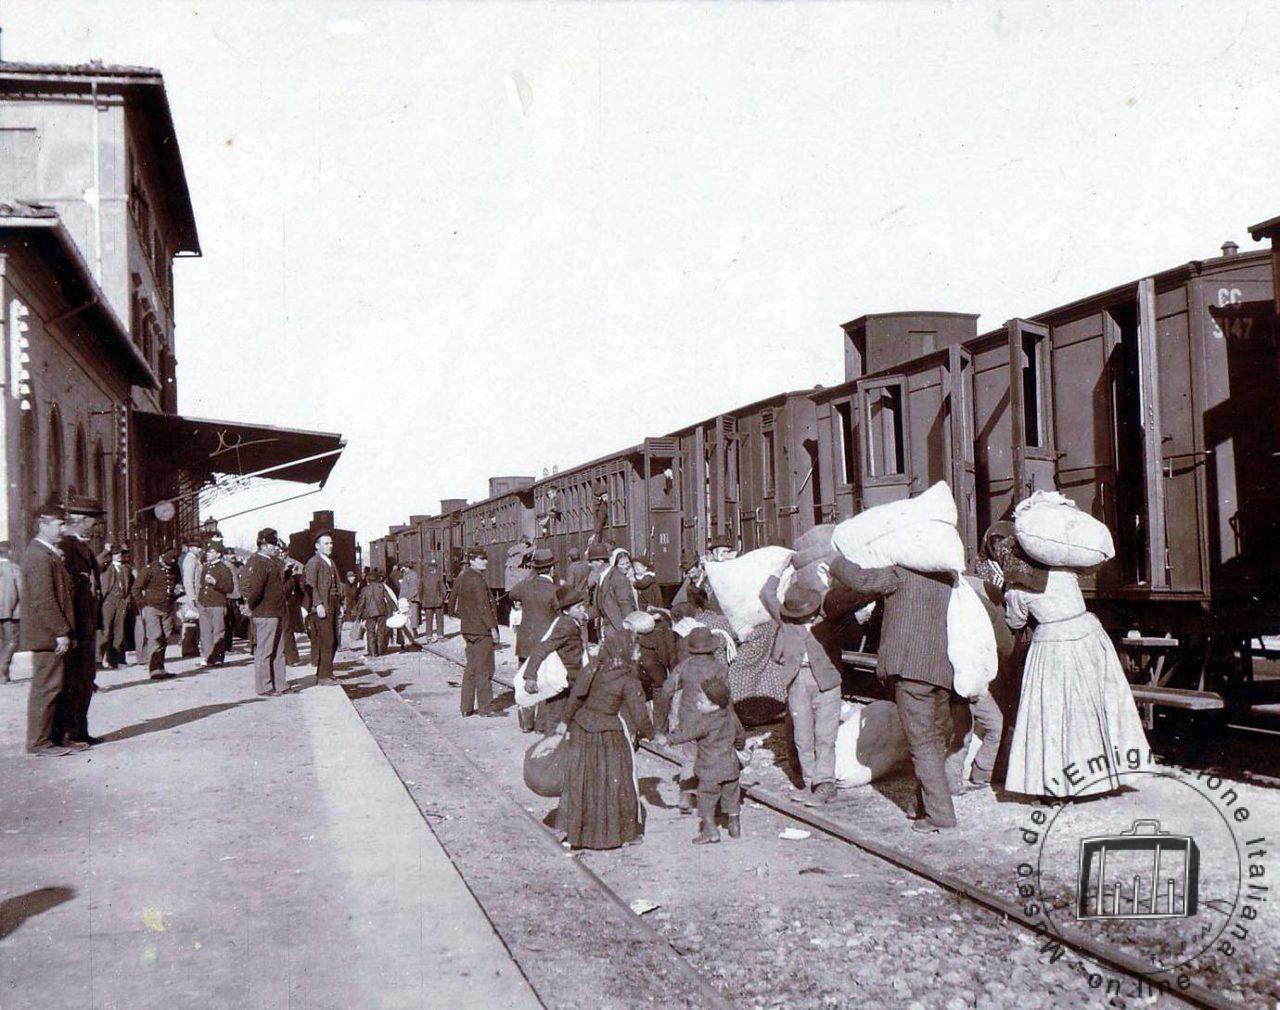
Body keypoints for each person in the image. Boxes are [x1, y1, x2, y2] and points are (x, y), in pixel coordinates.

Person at [824, 556, 959, 832]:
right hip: (941, 668)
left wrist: (835, 560)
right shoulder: (946, 575)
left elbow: (861, 580)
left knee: (922, 743)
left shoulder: (900, 574)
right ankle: (923, 805)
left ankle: (941, 815)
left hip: (911, 670)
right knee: (936, 736)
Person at [1002, 567, 1152, 800]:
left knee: (1054, 713)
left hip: (1052, 645)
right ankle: (1100, 777)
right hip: (1088, 636)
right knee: (1091, 710)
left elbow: (1016, 621)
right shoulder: (1063, 571)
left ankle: (1056, 784)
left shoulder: (1016, 589)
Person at [554, 627, 653, 850]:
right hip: (608, 733)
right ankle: (621, 835)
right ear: (625, 650)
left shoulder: (593, 668)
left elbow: (576, 697)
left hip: (582, 730)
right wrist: (654, 735)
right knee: (618, 782)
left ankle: (577, 834)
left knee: (582, 781)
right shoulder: (628, 680)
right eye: (635, 649)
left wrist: (564, 722)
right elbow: (640, 715)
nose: (638, 654)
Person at [766, 585, 843, 804]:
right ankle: (812, 783)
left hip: (826, 683)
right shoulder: (786, 623)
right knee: (802, 737)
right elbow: (766, 593)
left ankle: (825, 784)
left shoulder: (831, 620)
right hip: (798, 681)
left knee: (825, 736)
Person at [21, 503, 76, 756]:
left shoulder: (49, 553)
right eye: (59, 524)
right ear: (43, 525)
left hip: (53, 634)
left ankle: (56, 738)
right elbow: (44, 599)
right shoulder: (37, 555)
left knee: (58, 686)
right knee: (47, 687)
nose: (64, 529)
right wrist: (60, 631)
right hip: (48, 636)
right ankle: (38, 743)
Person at [667, 676, 746, 844]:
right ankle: (734, 827)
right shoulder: (732, 716)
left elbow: (686, 734)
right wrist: (738, 747)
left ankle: (710, 831)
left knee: (705, 800)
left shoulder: (705, 721)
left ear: (715, 704)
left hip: (710, 770)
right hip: (731, 768)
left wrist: (670, 739)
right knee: (732, 797)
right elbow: (741, 737)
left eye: (702, 702)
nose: (697, 704)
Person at [663, 625, 728, 813]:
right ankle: (711, 799)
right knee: (711, 757)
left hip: (688, 719)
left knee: (690, 757)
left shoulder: (684, 665)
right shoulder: (719, 668)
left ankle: (685, 796)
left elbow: (667, 690)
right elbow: (726, 696)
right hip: (711, 720)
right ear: (712, 648)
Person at [58, 497, 103, 747]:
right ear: (83, 521)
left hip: (87, 626)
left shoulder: (84, 548)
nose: (98, 526)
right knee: (73, 682)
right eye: (95, 521)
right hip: (76, 627)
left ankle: (80, 731)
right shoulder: (66, 548)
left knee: (85, 681)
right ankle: (69, 733)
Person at [522, 585, 591, 733]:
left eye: (582, 606)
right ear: (566, 611)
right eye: (578, 607)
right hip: (565, 682)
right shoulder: (566, 626)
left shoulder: (571, 621)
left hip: (571, 680)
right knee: (556, 721)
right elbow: (541, 648)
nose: (582, 610)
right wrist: (530, 676)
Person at [508, 548, 560, 733]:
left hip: (525, 641)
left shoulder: (526, 585)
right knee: (544, 682)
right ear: (552, 569)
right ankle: (541, 725)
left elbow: (512, 594)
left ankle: (526, 724)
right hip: (545, 643)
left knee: (525, 680)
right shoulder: (555, 590)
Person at [449, 548, 504, 717]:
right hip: (481, 631)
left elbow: (452, 600)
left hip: (468, 629)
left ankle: (466, 708)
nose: (485, 561)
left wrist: (456, 615)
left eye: (486, 558)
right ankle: (485, 708)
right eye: (481, 559)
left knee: (471, 668)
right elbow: (483, 607)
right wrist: (492, 629)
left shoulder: (462, 577)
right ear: (472, 560)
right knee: (485, 669)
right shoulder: (478, 580)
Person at [241, 528, 289, 696]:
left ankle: (281, 683)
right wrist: (251, 606)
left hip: (276, 611)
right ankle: (265, 686)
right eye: (272, 544)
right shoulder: (259, 563)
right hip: (266, 612)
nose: (275, 547)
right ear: (262, 545)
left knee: (278, 650)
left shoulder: (270, 561)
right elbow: (256, 590)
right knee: (265, 651)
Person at [303, 531, 343, 684]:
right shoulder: (314, 562)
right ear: (317, 545)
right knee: (327, 640)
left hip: (332, 603)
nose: (330, 546)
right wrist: (317, 604)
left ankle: (326, 671)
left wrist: (340, 604)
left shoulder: (330, 562)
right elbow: (310, 585)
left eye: (331, 543)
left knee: (333, 640)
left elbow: (336, 585)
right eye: (326, 543)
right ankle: (323, 677)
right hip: (322, 605)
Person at [133, 547, 179, 678]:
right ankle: (154, 669)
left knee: (165, 637)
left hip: (167, 608)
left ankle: (161, 667)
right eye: (167, 564)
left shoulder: (174, 567)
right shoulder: (150, 569)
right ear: (162, 557)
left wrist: (178, 591)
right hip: (152, 607)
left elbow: (177, 583)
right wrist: (143, 604)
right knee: (155, 636)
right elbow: (136, 588)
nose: (169, 567)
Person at [197, 543, 234, 667]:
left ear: (218, 554)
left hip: (217, 604)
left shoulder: (223, 568)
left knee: (218, 632)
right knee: (205, 632)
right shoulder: (206, 567)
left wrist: (215, 582)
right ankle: (208, 657)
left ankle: (218, 657)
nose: (208, 554)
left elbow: (230, 588)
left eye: (211, 552)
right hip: (204, 603)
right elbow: (202, 585)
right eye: (207, 551)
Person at [97, 544, 132, 669]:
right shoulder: (106, 568)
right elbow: (97, 562)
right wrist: (106, 550)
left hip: (121, 601)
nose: (118, 556)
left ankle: (117, 660)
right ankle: (101, 660)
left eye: (120, 554)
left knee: (120, 631)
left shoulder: (126, 568)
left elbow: (130, 586)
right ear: (111, 555)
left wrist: (127, 600)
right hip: (108, 601)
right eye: (116, 554)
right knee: (106, 631)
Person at [597, 547, 639, 635]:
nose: (626, 566)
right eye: (622, 564)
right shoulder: (620, 578)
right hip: (619, 624)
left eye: (628, 563)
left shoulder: (622, 577)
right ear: (615, 565)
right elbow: (625, 605)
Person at [356, 569, 393, 657]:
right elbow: (388, 599)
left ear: (368, 580)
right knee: (381, 631)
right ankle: (380, 650)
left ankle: (373, 652)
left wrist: (358, 615)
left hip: (369, 613)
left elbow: (361, 603)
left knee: (370, 632)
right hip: (381, 611)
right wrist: (395, 609)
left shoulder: (365, 589)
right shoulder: (381, 587)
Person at [177, 539, 203, 658]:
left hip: (193, 594)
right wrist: (191, 597)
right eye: (198, 547)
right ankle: (188, 648)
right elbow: (188, 580)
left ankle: (191, 647)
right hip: (190, 595)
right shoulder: (190, 560)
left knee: (192, 622)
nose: (200, 550)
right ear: (191, 548)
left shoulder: (193, 559)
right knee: (189, 621)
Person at [1, 539, 22, 684]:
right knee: (12, 641)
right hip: (12, 612)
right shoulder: (14, 568)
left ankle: (4, 674)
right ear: (9, 552)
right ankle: (2, 668)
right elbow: (22, 590)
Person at [420, 560, 447, 642]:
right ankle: (440, 636)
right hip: (438, 602)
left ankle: (429, 637)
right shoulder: (439, 577)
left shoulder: (423, 578)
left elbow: (420, 591)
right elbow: (444, 590)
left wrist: (422, 600)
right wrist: (442, 598)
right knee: (439, 619)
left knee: (428, 620)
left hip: (427, 603)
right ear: (435, 568)